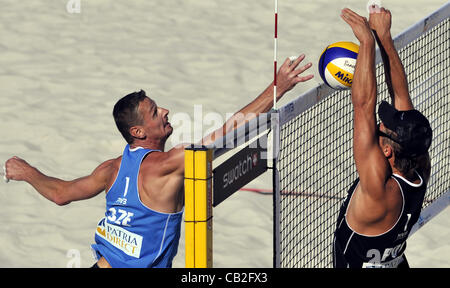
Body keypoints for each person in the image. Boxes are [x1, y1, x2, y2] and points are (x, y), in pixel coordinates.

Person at [4, 55, 313, 268]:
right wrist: (278, 88)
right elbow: (228, 133)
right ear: (138, 132)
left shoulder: (110, 168)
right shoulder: (171, 162)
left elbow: (61, 194)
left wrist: (28, 171)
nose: (164, 110)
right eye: (154, 112)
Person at [333, 6, 433, 268]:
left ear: (388, 152)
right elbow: (402, 100)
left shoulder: (378, 191)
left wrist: (366, 42)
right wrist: (384, 38)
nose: (378, 123)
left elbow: (364, 105)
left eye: (382, 127)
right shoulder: (420, 165)